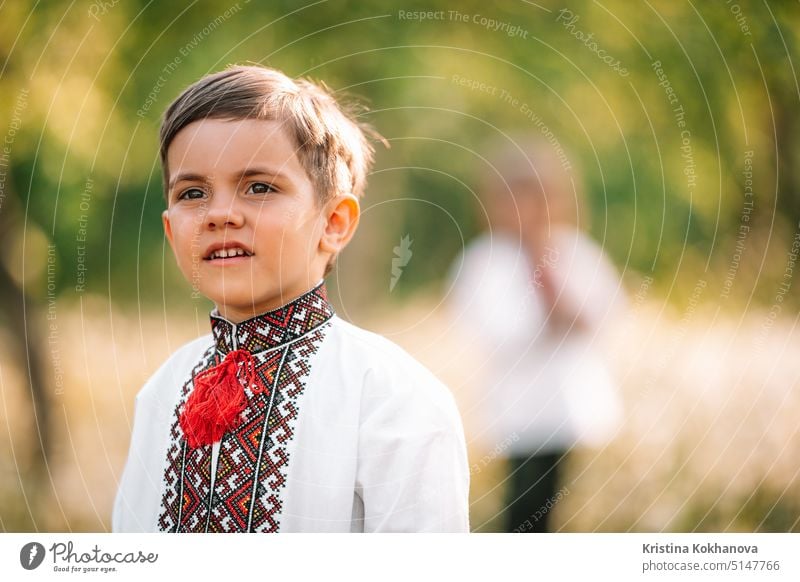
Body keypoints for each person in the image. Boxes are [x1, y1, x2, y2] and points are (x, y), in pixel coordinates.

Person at [112, 65, 470, 533]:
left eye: (259, 187)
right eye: (193, 192)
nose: (220, 214)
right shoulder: (163, 390)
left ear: (334, 223)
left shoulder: (391, 396)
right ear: (169, 228)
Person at [448, 138, 624, 532]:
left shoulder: (575, 250)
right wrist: (542, 293)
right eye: (512, 199)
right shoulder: (484, 260)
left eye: (536, 199)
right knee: (525, 505)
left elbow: (605, 312)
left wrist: (558, 290)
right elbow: (496, 331)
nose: (525, 211)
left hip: (569, 406)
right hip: (519, 410)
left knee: (559, 505)